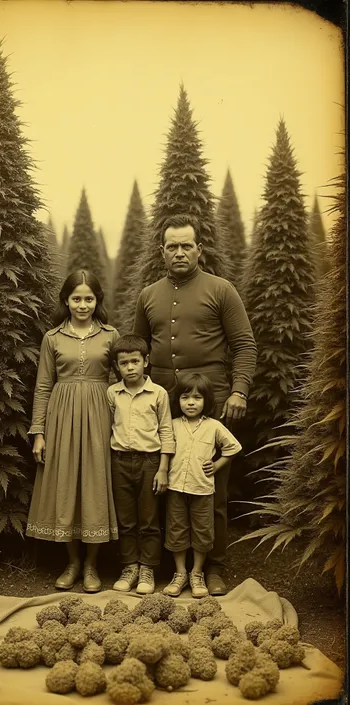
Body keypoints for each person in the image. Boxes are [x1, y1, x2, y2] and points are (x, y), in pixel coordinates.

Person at [134, 213, 257, 595]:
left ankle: (213, 565)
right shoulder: (149, 295)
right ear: (162, 251)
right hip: (162, 406)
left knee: (211, 485)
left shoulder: (221, 289)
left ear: (199, 250)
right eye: (172, 246)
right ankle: (167, 565)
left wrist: (239, 391)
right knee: (164, 482)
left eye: (187, 245)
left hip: (210, 403)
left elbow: (245, 345)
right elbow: (137, 351)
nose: (180, 252)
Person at [26, 270, 119, 593]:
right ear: (66, 300)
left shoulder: (110, 335)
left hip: (99, 415)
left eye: (89, 298)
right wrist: (39, 431)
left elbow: (121, 381)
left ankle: (92, 564)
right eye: (76, 298)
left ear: (97, 300)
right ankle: (72, 562)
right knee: (65, 482)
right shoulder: (52, 338)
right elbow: (42, 386)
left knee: (94, 482)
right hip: (61, 416)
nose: (83, 305)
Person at [107, 334, 175, 595]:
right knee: (126, 521)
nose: (130, 367)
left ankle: (147, 568)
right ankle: (129, 566)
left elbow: (166, 430)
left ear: (146, 361)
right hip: (120, 461)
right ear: (117, 366)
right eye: (124, 363)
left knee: (148, 519)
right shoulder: (112, 393)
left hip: (150, 462)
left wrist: (163, 468)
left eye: (135, 361)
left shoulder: (158, 394)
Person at [164, 373, 242, 598]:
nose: (190, 402)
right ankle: (180, 574)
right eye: (185, 397)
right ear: (178, 400)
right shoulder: (173, 425)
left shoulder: (214, 426)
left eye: (197, 398)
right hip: (176, 488)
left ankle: (197, 573)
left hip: (202, 490)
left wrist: (217, 465)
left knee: (202, 532)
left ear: (206, 401)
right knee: (177, 530)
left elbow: (233, 447)